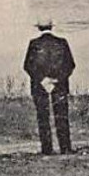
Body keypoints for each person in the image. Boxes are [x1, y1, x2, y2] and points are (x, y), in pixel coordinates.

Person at [24, 16, 75, 155]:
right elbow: (70, 65)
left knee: (42, 116)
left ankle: (47, 149)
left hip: (40, 85)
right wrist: (57, 79)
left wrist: (42, 80)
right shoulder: (62, 42)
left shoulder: (34, 44)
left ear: (39, 28)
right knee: (62, 116)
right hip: (60, 85)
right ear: (52, 27)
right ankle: (65, 147)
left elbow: (28, 66)